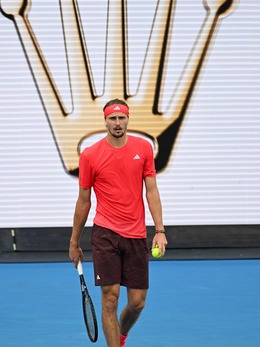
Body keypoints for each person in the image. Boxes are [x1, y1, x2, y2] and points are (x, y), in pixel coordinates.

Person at [69, 98, 168, 347]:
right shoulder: (90, 155)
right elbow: (83, 201)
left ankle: (121, 336)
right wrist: (74, 242)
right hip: (105, 234)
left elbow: (152, 190)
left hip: (135, 235)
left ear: (127, 119)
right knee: (110, 299)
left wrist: (159, 231)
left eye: (121, 117)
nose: (117, 123)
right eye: (112, 118)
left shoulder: (143, 148)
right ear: (105, 121)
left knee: (137, 303)